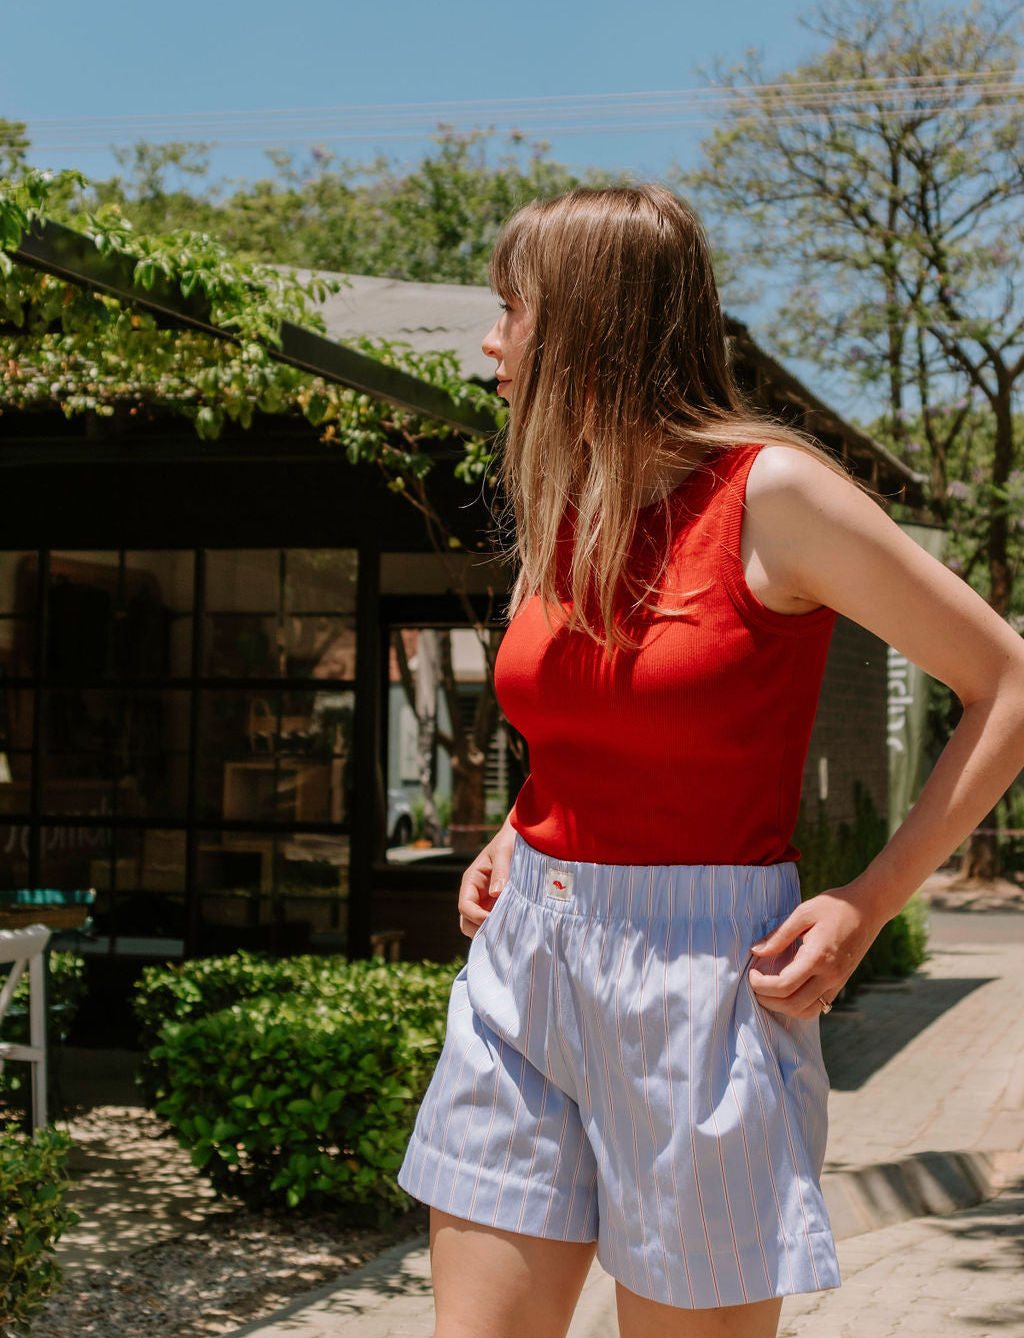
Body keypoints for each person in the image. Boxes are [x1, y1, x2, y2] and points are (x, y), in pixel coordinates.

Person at [396, 183, 1024, 1338]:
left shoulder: (770, 495)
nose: (490, 338)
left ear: (592, 319)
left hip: (700, 982)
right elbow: (592, 718)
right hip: (525, 958)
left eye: (511, 307)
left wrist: (871, 901)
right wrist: (516, 824)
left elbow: (1009, 685)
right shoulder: (565, 496)